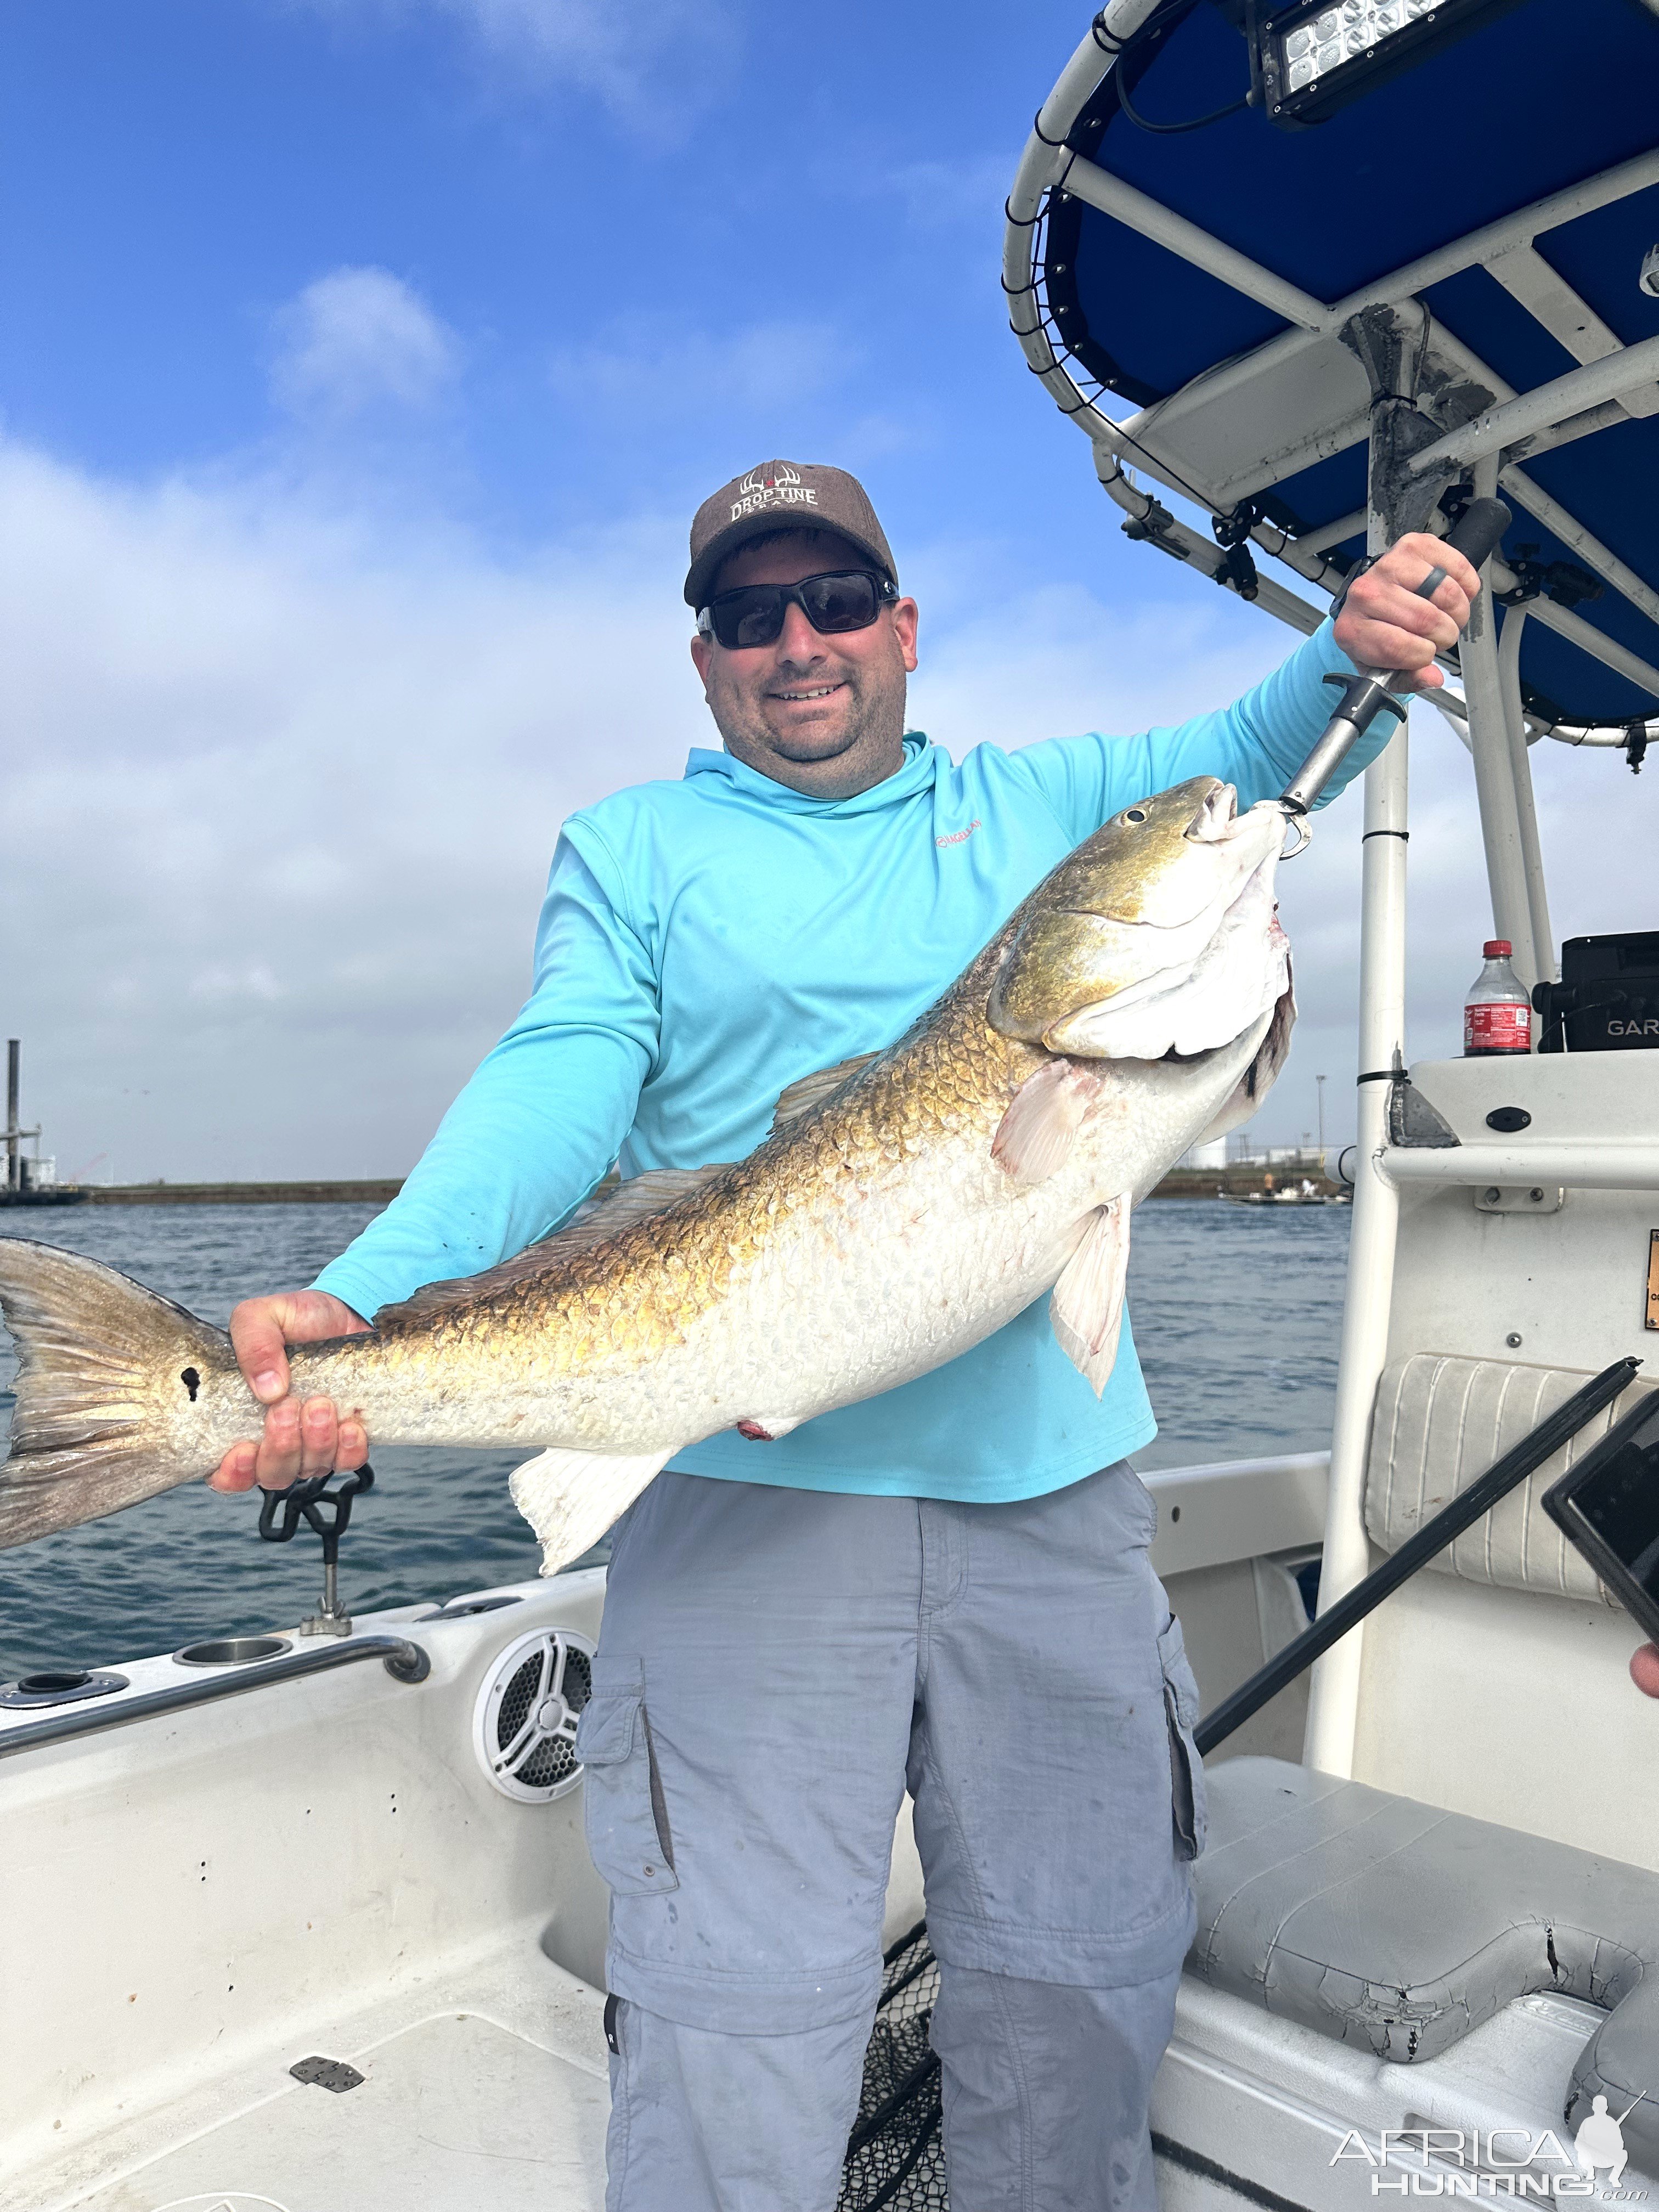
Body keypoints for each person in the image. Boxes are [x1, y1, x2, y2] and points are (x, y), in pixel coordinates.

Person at [209, 461, 1480, 2211]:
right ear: (708, 659)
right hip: (738, 1505)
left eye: (833, 603)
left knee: (1083, 1982)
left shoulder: (1052, 807)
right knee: (735, 2017)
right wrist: (365, 1298)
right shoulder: (637, 850)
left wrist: (1352, 647)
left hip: (1052, 1501)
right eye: (750, 615)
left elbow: (1254, 747)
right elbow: (562, 1078)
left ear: (902, 625)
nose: (797, 643)